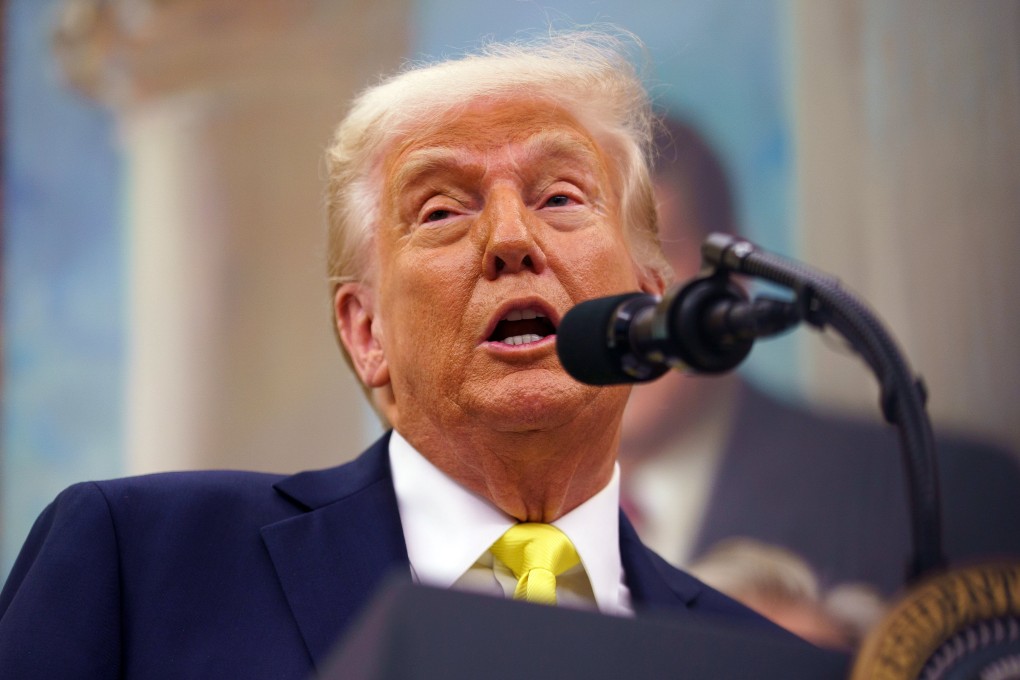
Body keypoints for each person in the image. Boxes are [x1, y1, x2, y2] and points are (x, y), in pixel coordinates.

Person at [0, 32, 805, 679]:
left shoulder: (763, 663)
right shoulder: (139, 563)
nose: (512, 239)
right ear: (366, 332)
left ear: (651, 299)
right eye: (443, 210)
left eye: (560, 197)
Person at [620, 114, 1020, 598]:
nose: (619, 310)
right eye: (585, 266)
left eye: (653, 260)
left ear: (731, 280)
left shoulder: (947, 497)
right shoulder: (531, 518)